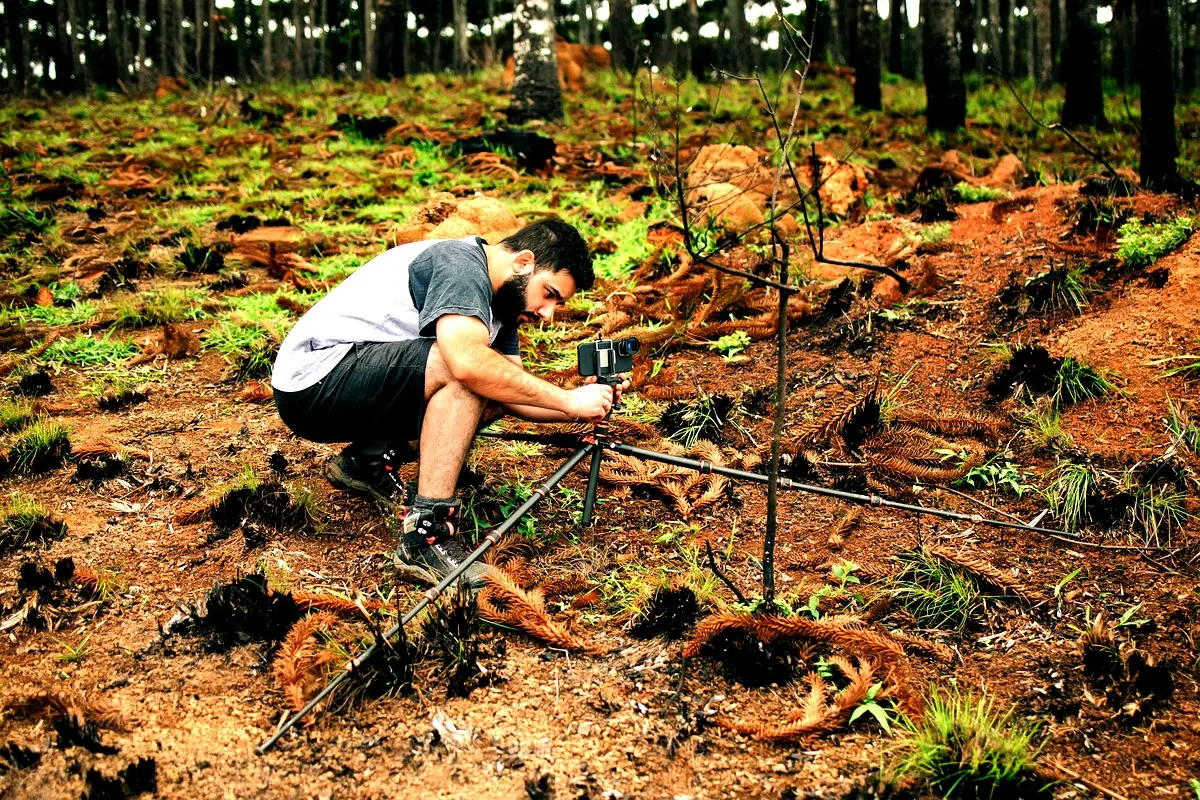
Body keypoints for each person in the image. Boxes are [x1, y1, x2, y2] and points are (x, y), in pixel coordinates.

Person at [271, 218, 626, 588]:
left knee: (493, 382)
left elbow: (513, 395)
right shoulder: (461, 266)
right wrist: (567, 400)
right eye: (549, 294)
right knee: (468, 373)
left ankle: (368, 460)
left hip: (348, 386)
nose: (547, 313)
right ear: (523, 262)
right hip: (313, 382)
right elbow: (468, 365)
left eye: (557, 303)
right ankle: (425, 538)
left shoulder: (501, 301)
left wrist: (589, 403)